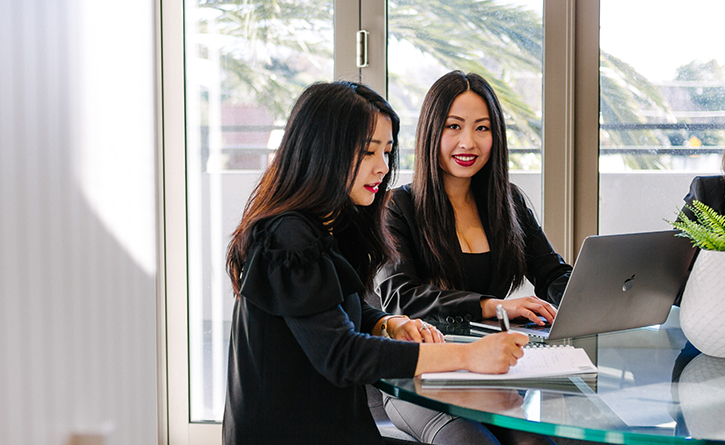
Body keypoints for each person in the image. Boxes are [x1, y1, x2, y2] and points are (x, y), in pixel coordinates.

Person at [222, 80, 530, 445]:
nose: (383, 167)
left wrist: (386, 322)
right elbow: (343, 355)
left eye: (387, 152)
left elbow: (328, 309)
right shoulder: (288, 235)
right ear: (323, 151)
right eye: (368, 152)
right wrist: (467, 356)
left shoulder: (325, 223)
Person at [374, 71, 573, 444]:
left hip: (497, 368)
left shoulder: (507, 202)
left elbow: (551, 272)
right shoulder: (399, 207)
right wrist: (492, 306)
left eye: (482, 128)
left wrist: (584, 299)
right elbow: (400, 296)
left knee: (539, 441)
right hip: (420, 373)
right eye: (454, 126)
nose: (469, 142)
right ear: (432, 131)